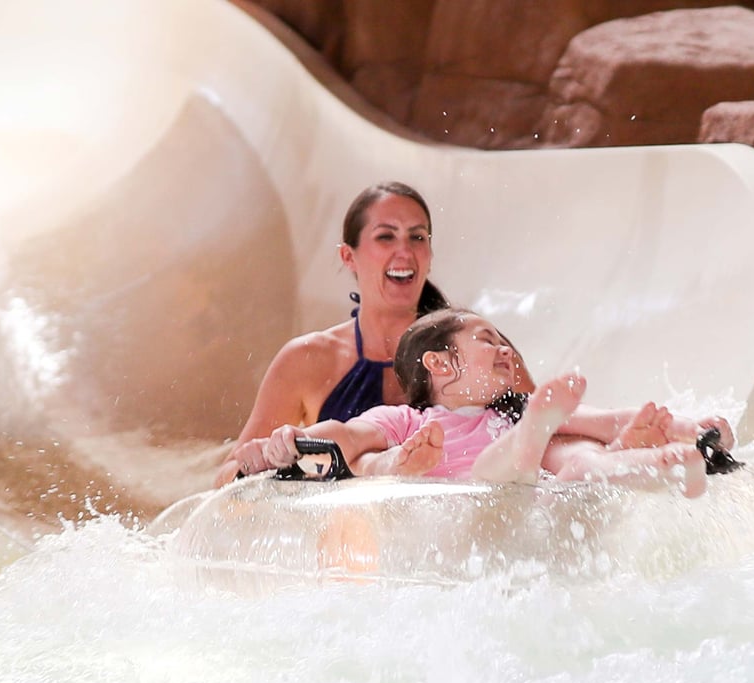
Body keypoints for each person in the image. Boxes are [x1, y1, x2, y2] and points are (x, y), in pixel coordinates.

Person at [216, 181, 535, 485]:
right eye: (386, 237)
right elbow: (226, 478)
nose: (405, 252)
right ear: (348, 256)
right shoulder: (308, 359)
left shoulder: (487, 354)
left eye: (417, 238)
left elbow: (543, 433)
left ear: (430, 256)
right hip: (345, 534)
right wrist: (266, 460)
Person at [259, 309, 734, 498]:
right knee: (513, 455)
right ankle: (533, 445)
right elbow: (345, 435)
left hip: (530, 489)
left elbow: (608, 419)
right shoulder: (407, 421)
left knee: (575, 458)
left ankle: (662, 461)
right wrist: (296, 442)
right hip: (476, 502)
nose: (506, 349)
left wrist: (696, 430)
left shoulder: (510, 409)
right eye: (487, 341)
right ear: (441, 365)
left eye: (505, 341)